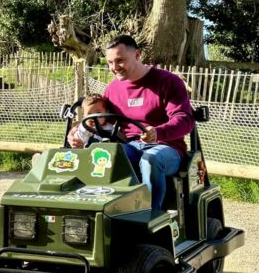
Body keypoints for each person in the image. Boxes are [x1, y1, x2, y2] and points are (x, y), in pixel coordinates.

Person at [68, 35, 194, 211]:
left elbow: (185, 120)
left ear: (137, 55)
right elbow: (100, 118)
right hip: (130, 145)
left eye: (120, 60)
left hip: (166, 148)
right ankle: (103, 210)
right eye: (110, 62)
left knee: (150, 159)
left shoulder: (168, 82)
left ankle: (150, 213)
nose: (114, 67)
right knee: (102, 155)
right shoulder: (113, 89)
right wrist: (76, 130)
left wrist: (157, 132)